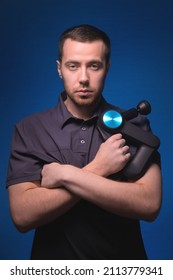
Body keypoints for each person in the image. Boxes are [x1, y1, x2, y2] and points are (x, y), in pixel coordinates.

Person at [6, 24, 162, 260]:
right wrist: (99, 168)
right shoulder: (29, 130)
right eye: (73, 66)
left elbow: (148, 205)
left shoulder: (135, 125)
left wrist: (64, 175)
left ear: (107, 68)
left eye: (94, 66)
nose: (84, 78)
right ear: (60, 69)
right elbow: (22, 216)